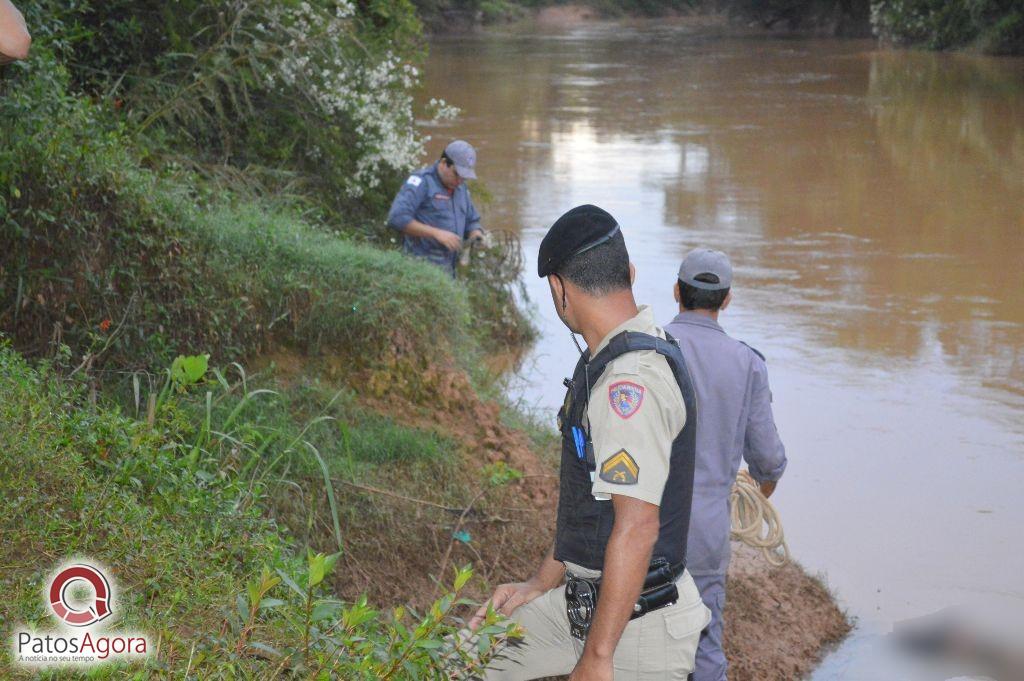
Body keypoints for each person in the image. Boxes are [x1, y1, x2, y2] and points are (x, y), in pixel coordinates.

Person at [470, 205, 710, 680]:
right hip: (579, 606)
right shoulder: (604, 361)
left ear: (559, 289)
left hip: (638, 631)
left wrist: (597, 659)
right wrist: (540, 583)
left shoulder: (629, 385)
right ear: (630, 273)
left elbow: (637, 527)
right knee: (459, 661)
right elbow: (591, 502)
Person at [662, 248, 788, 681]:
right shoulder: (747, 363)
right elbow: (768, 461)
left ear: (676, 291)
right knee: (703, 649)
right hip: (704, 536)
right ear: (727, 299)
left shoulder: (646, 346)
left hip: (633, 526)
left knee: (628, 639)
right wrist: (753, 493)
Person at [386, 139, 484, 275]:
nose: (460, 180)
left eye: (464, 177)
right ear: (444, 163)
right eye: (457, 174)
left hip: (449, 271)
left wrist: (476, 234)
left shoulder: (461, 188)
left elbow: (472, 220)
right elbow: (396, 218)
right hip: (419, 270)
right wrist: (436, 234)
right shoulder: (421, 182)